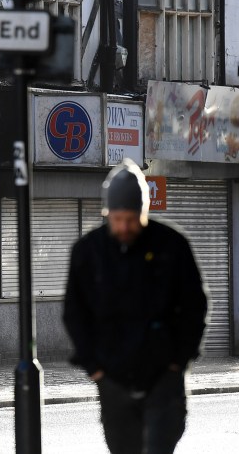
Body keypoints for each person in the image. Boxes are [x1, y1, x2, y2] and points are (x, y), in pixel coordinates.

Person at [63, 159, 208, 454]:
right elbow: (75, 314)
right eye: (118, 219)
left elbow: (195, 306)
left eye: (132, 218)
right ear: (107, 213)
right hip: (113, 379)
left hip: (163, 378)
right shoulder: (88, 252)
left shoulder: (172, 246)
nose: (125, 226)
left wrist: (179, 362)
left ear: (144, 212)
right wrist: (95, 369)